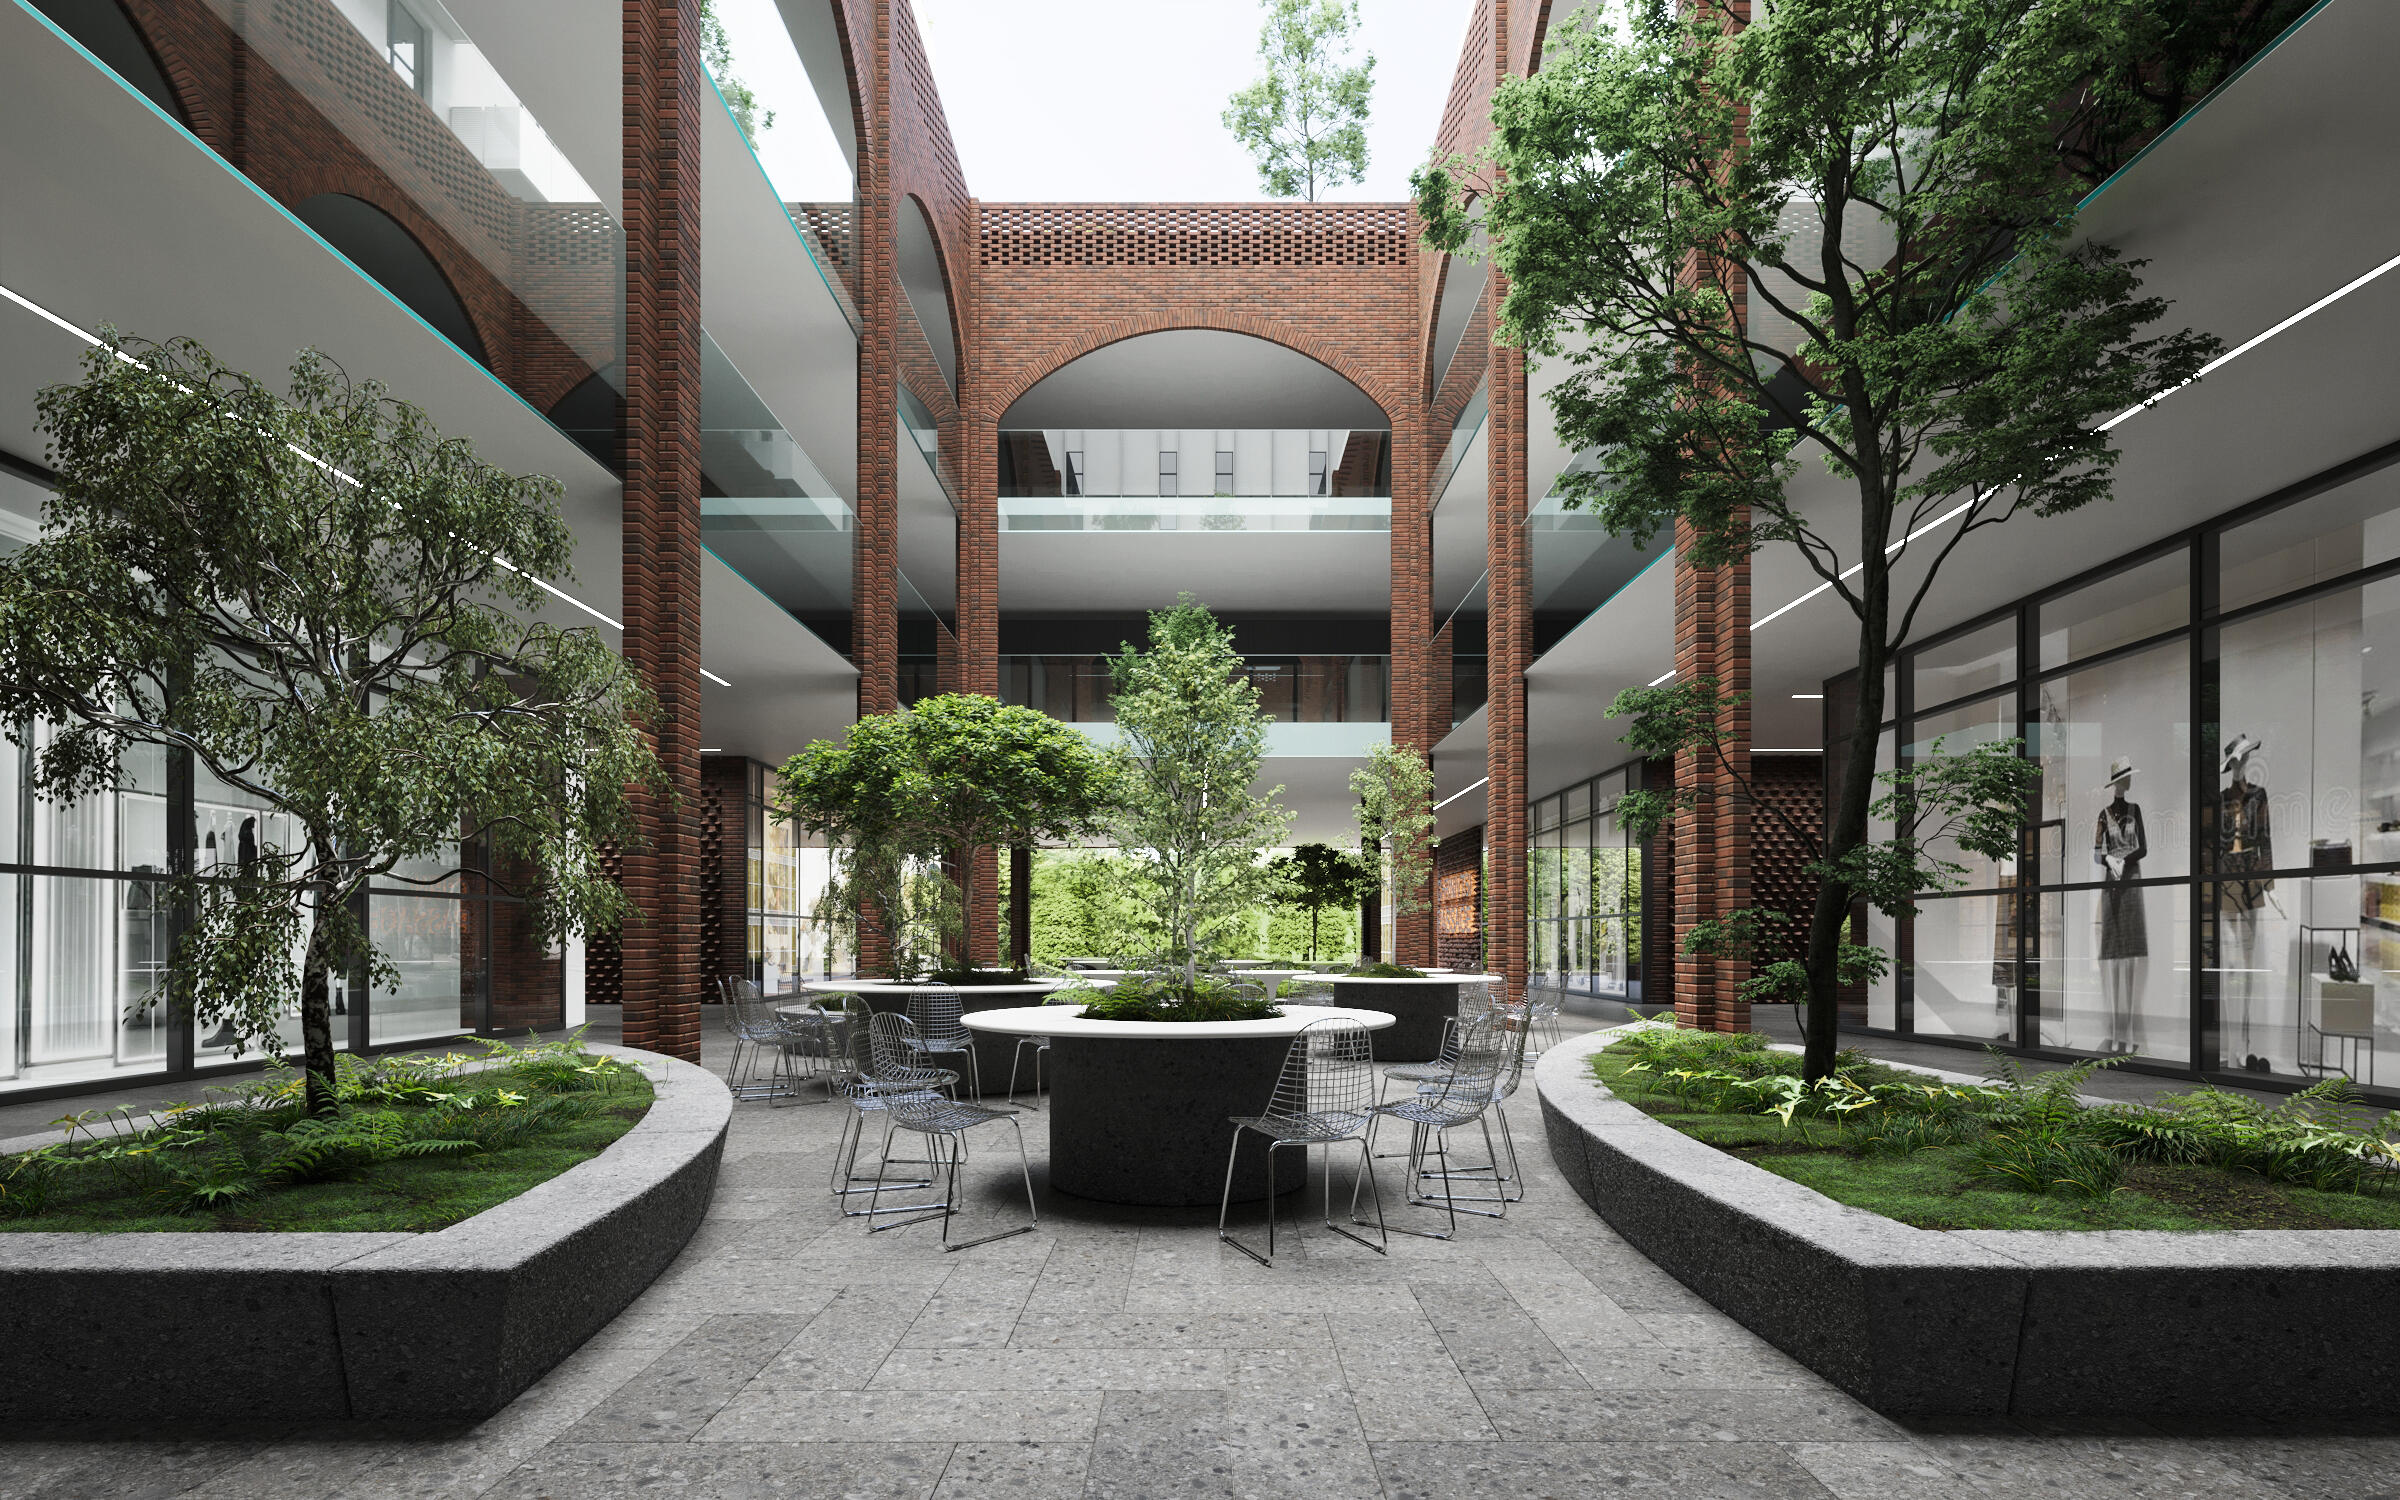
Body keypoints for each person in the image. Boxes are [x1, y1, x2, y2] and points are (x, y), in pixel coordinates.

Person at [2093, 757, 2148, 1054]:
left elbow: (2143, 848)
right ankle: (2114, 1032)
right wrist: (2108, 859)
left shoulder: (2135, 810)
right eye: (2125, 777)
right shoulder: (2103, 815)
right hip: (2112, 886)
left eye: (2129, 777)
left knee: (2130, 961)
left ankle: (2127, 1034)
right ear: (2117, 782)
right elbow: (2096, 853)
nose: (2128, 781)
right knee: (2114, 958)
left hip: (2132, 883)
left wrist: (2123, 859)